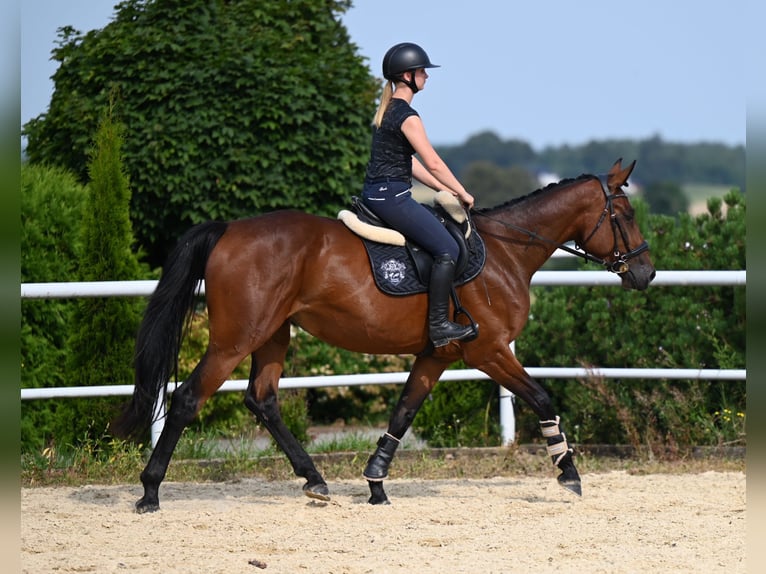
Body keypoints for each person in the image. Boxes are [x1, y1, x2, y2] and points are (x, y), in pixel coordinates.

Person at [362, 42, 477, 347]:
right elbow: (434, 162)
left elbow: (408, 163)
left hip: (381, 193)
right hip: (392, 197)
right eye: (422, 70)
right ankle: (439, 325)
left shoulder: (388, 110)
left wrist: (444, 189)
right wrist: (462, 192)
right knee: (447, 249)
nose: (426, 75)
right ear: (408, 75)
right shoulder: (407, 116)